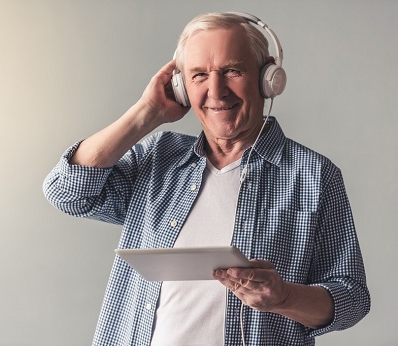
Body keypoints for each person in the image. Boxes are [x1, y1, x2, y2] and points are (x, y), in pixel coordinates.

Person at [43, 12, 370, 346]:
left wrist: (283, 297)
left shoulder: (314, 175)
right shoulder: (158, 158)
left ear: (267, 77)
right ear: (182, 88)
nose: (217, 92)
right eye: (199, 75)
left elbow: (352, 299)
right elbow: (67, 192)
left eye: (232, 71)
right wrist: (147, 113)